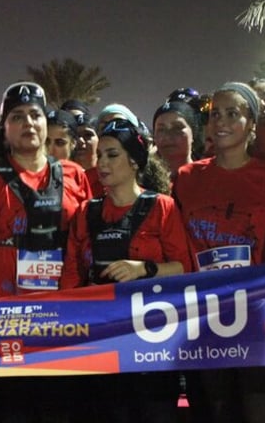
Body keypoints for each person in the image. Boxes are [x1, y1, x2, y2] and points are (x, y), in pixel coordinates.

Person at [0, 81, 92, 422]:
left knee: (62, 407)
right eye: (17, 117)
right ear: (4, 128)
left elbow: (85, 244)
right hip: (9, 317)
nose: (28, 123)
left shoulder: (74, 175)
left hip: (64, 317)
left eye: (35, 115)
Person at [62, 118, 191, 423]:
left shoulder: (162, 206)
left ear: (134, 161)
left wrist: (143, 269)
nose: (102, 163)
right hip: (101, 339)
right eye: (100, 155)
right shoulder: (86, 211)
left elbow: (184, 269)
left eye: (112, 155)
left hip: (152, 341)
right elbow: (70, 277)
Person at [173, 82, 265, 423]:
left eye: (233, 114)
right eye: (215, 114)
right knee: (217, 412)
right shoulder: (187, 177)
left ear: (252, 123)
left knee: (259, 412)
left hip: (260, 315)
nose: (220, 121)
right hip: (205, 317)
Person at [152, 101, 203, 180]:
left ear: (193, 133)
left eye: (177, 128)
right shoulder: (145, 181)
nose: (168, 136)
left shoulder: (208, 178)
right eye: (161, 130)